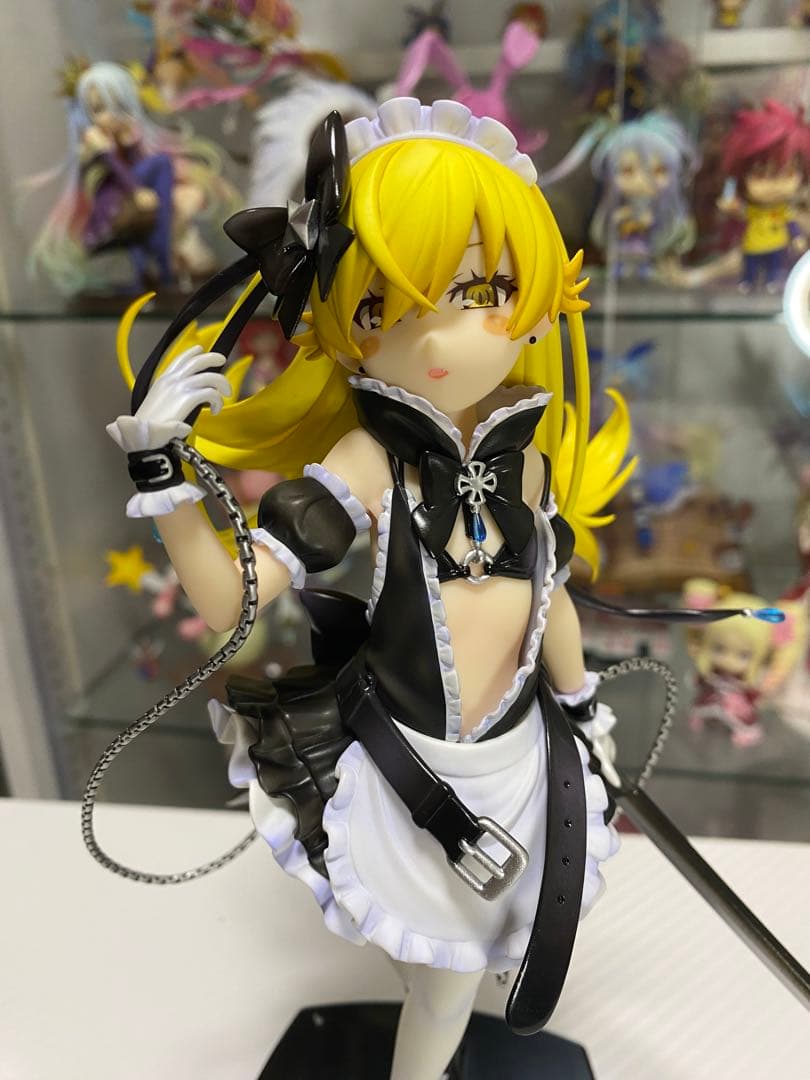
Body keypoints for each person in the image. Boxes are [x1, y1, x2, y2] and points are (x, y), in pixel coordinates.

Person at [107, 98, 635, 1078]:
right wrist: (164, 481)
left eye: (478, 289)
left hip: (522, 765)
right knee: (443, 992)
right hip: (409, 771)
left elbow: (547, 593)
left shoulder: (527, 462)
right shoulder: (370, 460)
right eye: (380, 307)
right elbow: (232, 605)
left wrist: (580, 704)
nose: (435, 337)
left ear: (537, 296)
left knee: (453, 971)